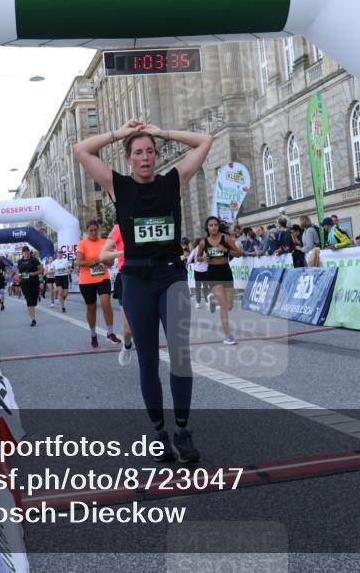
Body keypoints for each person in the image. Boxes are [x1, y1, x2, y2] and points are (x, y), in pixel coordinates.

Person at [73, 119, 212, 463]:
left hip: (171, 277)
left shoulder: (173, 181)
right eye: (138, 152)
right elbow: (80, 150)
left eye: (150, 151)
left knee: (180, 355)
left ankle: (182, 430)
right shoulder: (118, 185)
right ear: (129, 159)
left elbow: (205, 141)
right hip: (136, 281)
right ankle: (160, 434)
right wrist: (123, 133)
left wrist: (160, 130)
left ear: (156, 155)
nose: (146, 157)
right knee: (148, 360)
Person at [196, 216, 243, 344]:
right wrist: (203, 258)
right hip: (213, 273)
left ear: (218, 226)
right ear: (207, 227)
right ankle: (228, 336)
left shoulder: (226, 238)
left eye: (215, 225)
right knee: (223, 306)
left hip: (226, 272)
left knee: (229, 306)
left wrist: (226, 250)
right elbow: (198, 257)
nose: (213, 227)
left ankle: (212, 301)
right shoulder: (203, 242)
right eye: (210, 225)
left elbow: (238, 253)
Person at [77, 220, 120, 348]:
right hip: (86, 280)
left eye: (96, 230)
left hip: (103, 278)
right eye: (91, 230)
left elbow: (111, 263)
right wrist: (95, 262)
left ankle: (110, 333)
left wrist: (105, 261)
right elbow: (79, 262)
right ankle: (93, 334)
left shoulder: (104, 243)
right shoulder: (82, 243)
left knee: (106, 303)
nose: (94, 232)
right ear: (87, 231)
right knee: (91, 308)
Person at [100, 224, 134, 365]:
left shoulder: (149, 221)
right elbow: (103, 254)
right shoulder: (119, 227)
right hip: (125, 276)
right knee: (127, 328)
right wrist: (123, 253)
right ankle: (127, 347)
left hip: (147, 276)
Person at [16, 246, 43, 327]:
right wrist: (18, 274)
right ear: (22, 253)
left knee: (34, 301)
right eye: (24, 251)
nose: (26, 253)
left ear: (29, 252)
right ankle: (33, 319)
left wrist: (33, 274)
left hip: (34, 282)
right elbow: (18, 271)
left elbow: (41, 270)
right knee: (29, 300)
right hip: (24, 283)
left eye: (27, 251)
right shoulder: (20, 261)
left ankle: (36, 300)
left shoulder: (34, 260)